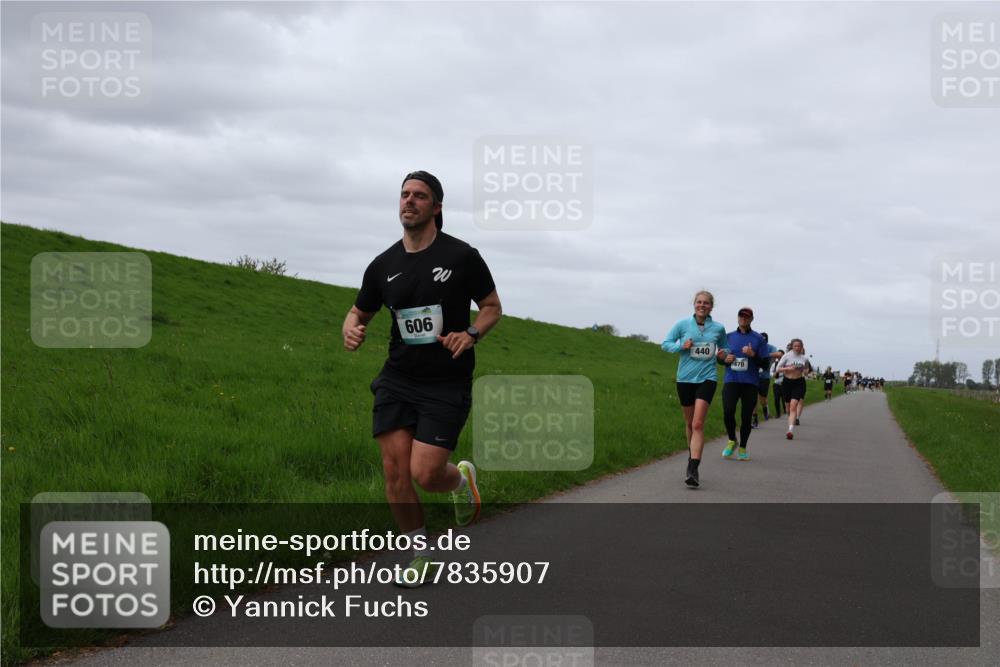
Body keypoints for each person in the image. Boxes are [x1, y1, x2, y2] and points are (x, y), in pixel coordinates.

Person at [343, 170, 502, 587]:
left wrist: (470, 334)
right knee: (395, 470)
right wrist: (351, 326)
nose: (409, 201)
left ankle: (459, 478)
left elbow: (491, 307)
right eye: (404, 195)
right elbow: (360, 310)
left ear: (437, 207)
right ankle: (419, 554)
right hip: (397, 378)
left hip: (446, 381)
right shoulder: (383, 265)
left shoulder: (462, 257)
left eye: (419, 196)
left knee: (426, 474)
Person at [662, 290, 729, 487]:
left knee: (698, 424)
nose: (702, 305)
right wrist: (682, 346)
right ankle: (692, 455)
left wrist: (724, 356)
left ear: (711, 307)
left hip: (707, 378)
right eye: (699, 302)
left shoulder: (718, 328)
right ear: (694, 304)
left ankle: (693, 468)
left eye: (706, 303)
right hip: (685, 379)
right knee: (690, 423)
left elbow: (724, 348)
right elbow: (665, 344)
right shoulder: (682, 325)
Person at [720, 308, 780, 461]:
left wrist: (753, 355)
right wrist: (724, 359)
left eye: (747, 317)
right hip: (731, 380)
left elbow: (765, 364)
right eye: (741, 316)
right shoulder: (728, 337)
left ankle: (742, 448)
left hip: (751, 383)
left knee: (746, 417)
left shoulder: (758, 339)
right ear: (738, 317)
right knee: (728, 411)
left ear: (751, 319)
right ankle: (732, 440)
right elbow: (720, 357)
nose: (743, 319)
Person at [776, 339, 812, 439]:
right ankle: (790, 419)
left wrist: (805, 371)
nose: (797, 348)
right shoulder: (786, 356)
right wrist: (788, 368)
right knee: (788, 407)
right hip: (787, 383)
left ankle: (790, 430)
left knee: (793, 406)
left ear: (802, 347)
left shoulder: (804, 358)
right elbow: (777, 369)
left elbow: (806, 370)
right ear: (792, 346)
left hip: (799, 383)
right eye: (795, 346)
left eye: (799, 346)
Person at [752, 332, 780, 427]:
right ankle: (755, 419)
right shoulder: (754, 346)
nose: (762, 342)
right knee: (753, 399)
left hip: (765, 377)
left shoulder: (770, 347)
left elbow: (779, 354)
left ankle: (765, 409)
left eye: (764, 340)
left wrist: (766, 355)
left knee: (762, 399)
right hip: (753, 376)